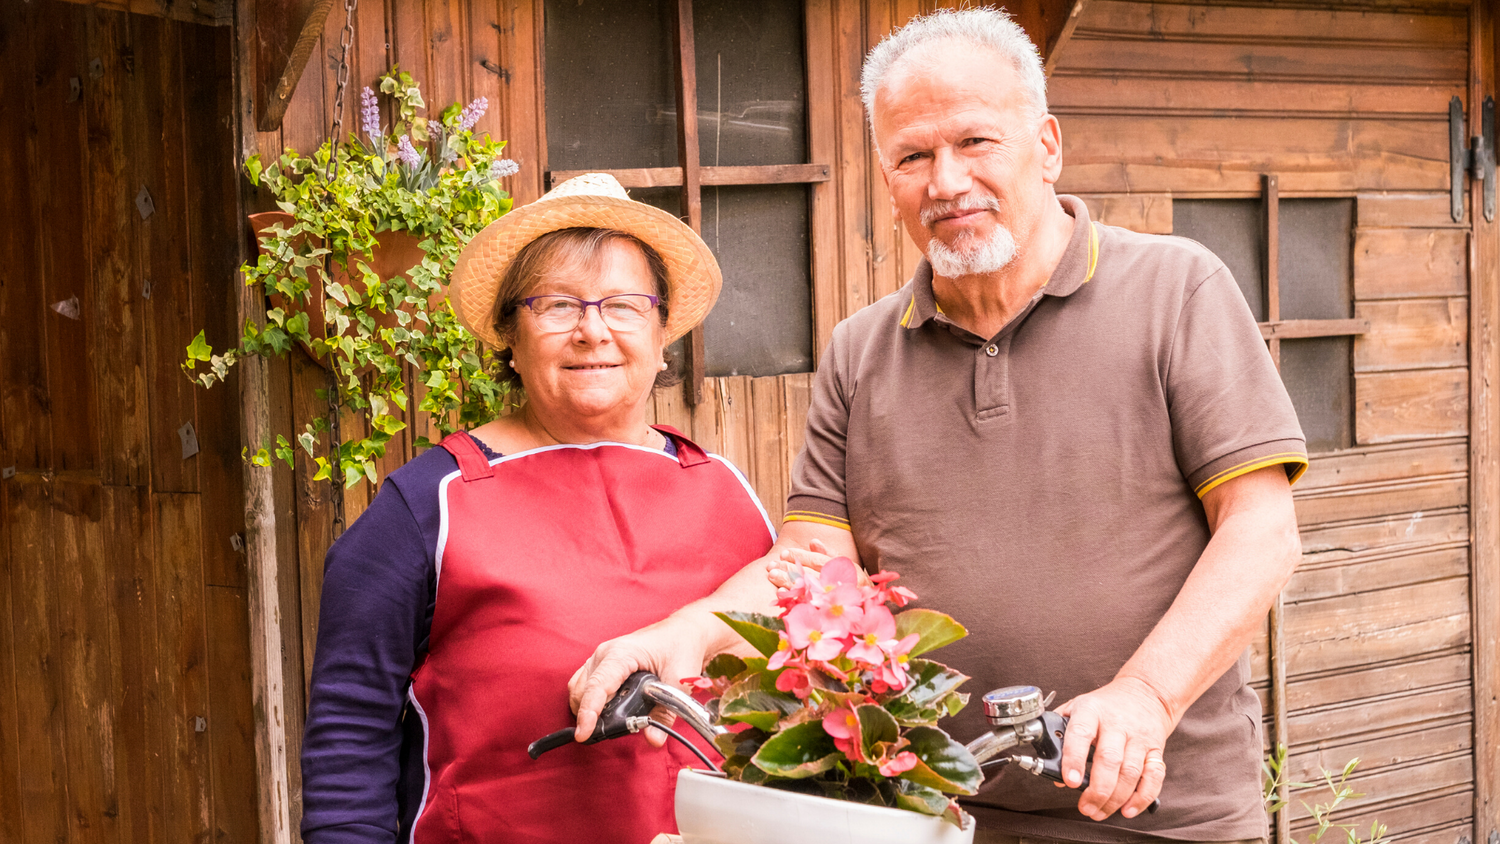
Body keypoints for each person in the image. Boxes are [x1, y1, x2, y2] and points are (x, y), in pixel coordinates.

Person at [568, 9, 1304, 844]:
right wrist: (681, 636)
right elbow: (816, 563)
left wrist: (1147, 695)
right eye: (913, 156)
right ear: (889, 182)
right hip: (932, 818)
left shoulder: (1178, 291)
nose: (945, 181)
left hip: (1161, 813)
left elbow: (1261, 530)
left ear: (1047, 146)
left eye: (975, 142)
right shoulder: (862, 350)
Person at [298, 173, 776, 844]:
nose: (592, 331)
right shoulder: (426, 508)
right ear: (508, 339)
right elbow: (350, 739)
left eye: (623, 305)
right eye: (556, 305)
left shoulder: (727, 495)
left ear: (663, 330)